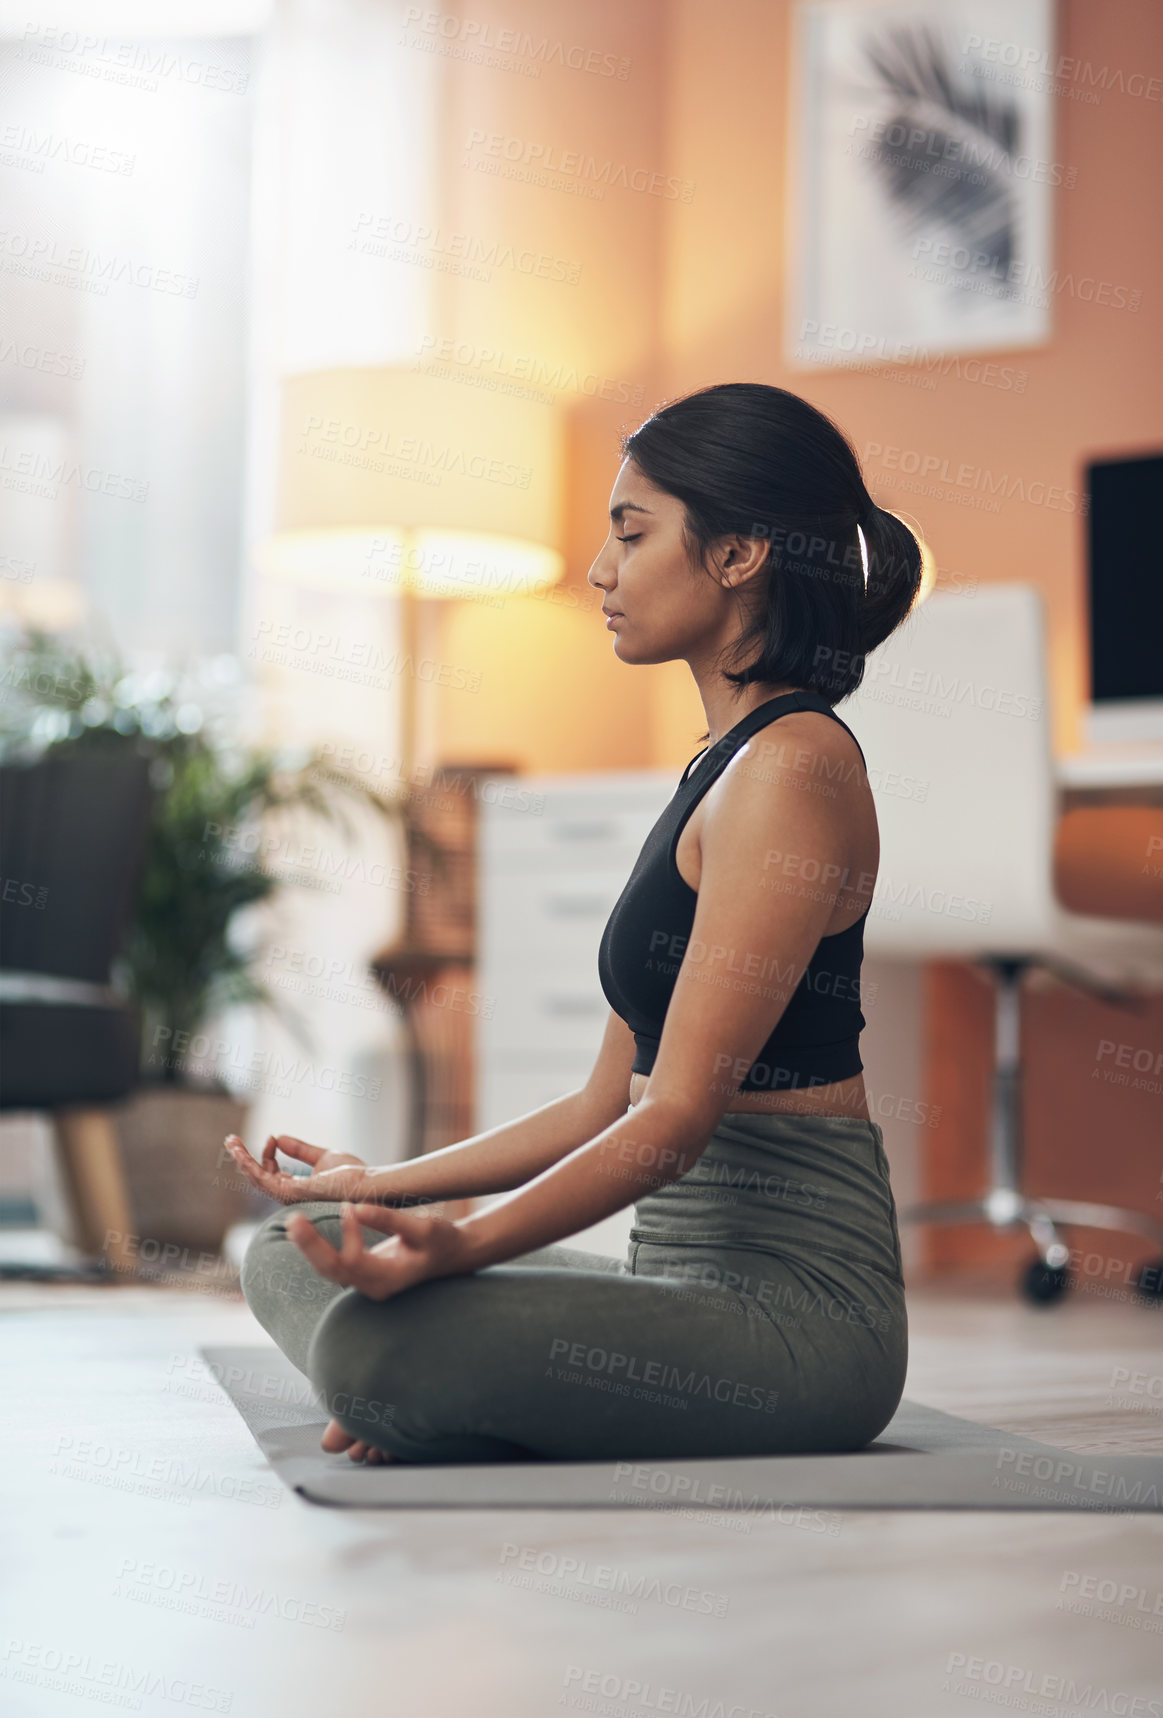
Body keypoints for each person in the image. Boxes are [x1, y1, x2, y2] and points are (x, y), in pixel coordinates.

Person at [230, 381, 922, 1466]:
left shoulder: (794, 767)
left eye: (629, 531)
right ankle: (422, 1374)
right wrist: (374, 1186)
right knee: (290, 1241)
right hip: (675, 1288)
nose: (599, 568)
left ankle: (406, 1377)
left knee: (376, 1349)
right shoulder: (720, 764)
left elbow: (676, 1117)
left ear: (738, 553)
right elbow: (605, 1100)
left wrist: (453, 1253)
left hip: (800, 1327)